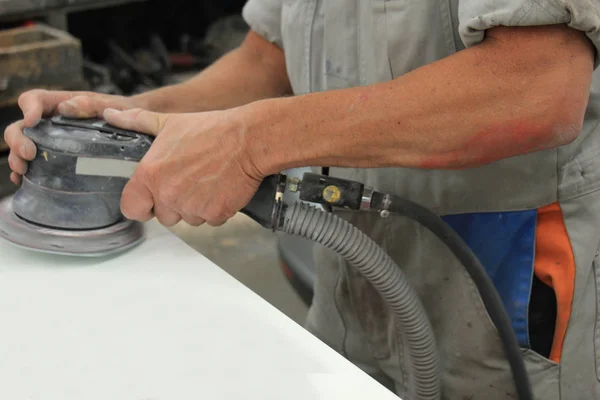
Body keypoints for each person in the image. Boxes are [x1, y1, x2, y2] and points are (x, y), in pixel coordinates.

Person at [4, 0, 600, 398]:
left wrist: (248, 143)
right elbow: (267, 64)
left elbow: (538, 87)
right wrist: (116, 123)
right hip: (352, 271)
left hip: (501, 265)